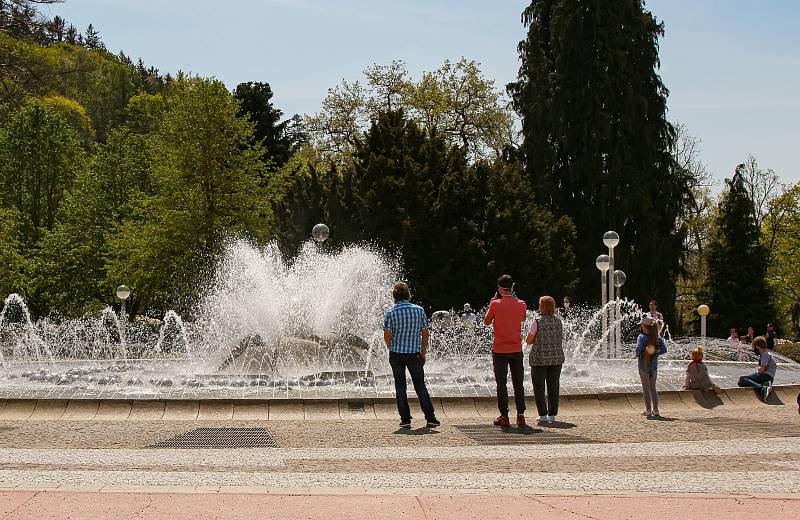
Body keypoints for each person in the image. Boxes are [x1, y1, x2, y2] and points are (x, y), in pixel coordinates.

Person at [383, 282, 440, 429]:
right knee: (420, 385)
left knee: (400, 386)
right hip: (414, 353)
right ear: (408, 294)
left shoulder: (391, 312)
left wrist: (390, 346)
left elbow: (387, 334)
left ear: (394, 296)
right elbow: (425, 332)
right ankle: (430, 418)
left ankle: (405, 420)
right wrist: (423, 351)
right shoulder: (419, 310)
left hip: (396, 354)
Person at [484, 274, 527, 427]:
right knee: (518, 383)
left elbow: (487, 322)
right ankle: (521, 415)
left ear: (500, 288)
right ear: (512, 287)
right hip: (516, 348)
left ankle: (504, 416)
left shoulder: (495, 304)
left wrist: (491, 303)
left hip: (500, 349)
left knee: (501, 383)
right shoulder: (521, 303)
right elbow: (522, 318)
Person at [526, 295, 565, 424]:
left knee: (539, 387)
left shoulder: (537, 321)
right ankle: (552, 414)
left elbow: (529, 340)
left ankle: (542, 414)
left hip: (539, 360)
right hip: (556, 359)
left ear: (542, 307)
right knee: (554, 386)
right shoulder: (558, 321)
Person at [635, 316, 667, 417]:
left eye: (641, 324)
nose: (640, 326)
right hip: (654, 365)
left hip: (643, 364)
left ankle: (648, 410)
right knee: (653, 387)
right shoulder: (658, 338)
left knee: (646, 388)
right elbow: (664, 350)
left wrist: (639, 354)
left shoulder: (641, 337)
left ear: (644, 326)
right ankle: (656, 410)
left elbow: (638, 349)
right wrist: (655, 353)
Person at [737, 336, 777, 401]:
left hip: (765, 376)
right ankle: (765, 385)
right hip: (769, 378)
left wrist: (758, 369)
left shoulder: (764, 355)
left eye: (754, 348)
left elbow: (762, 370)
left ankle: (762, 388)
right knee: (746, 380)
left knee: (742, 379)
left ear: (757, 347)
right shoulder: (766, 353)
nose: (754, 350)